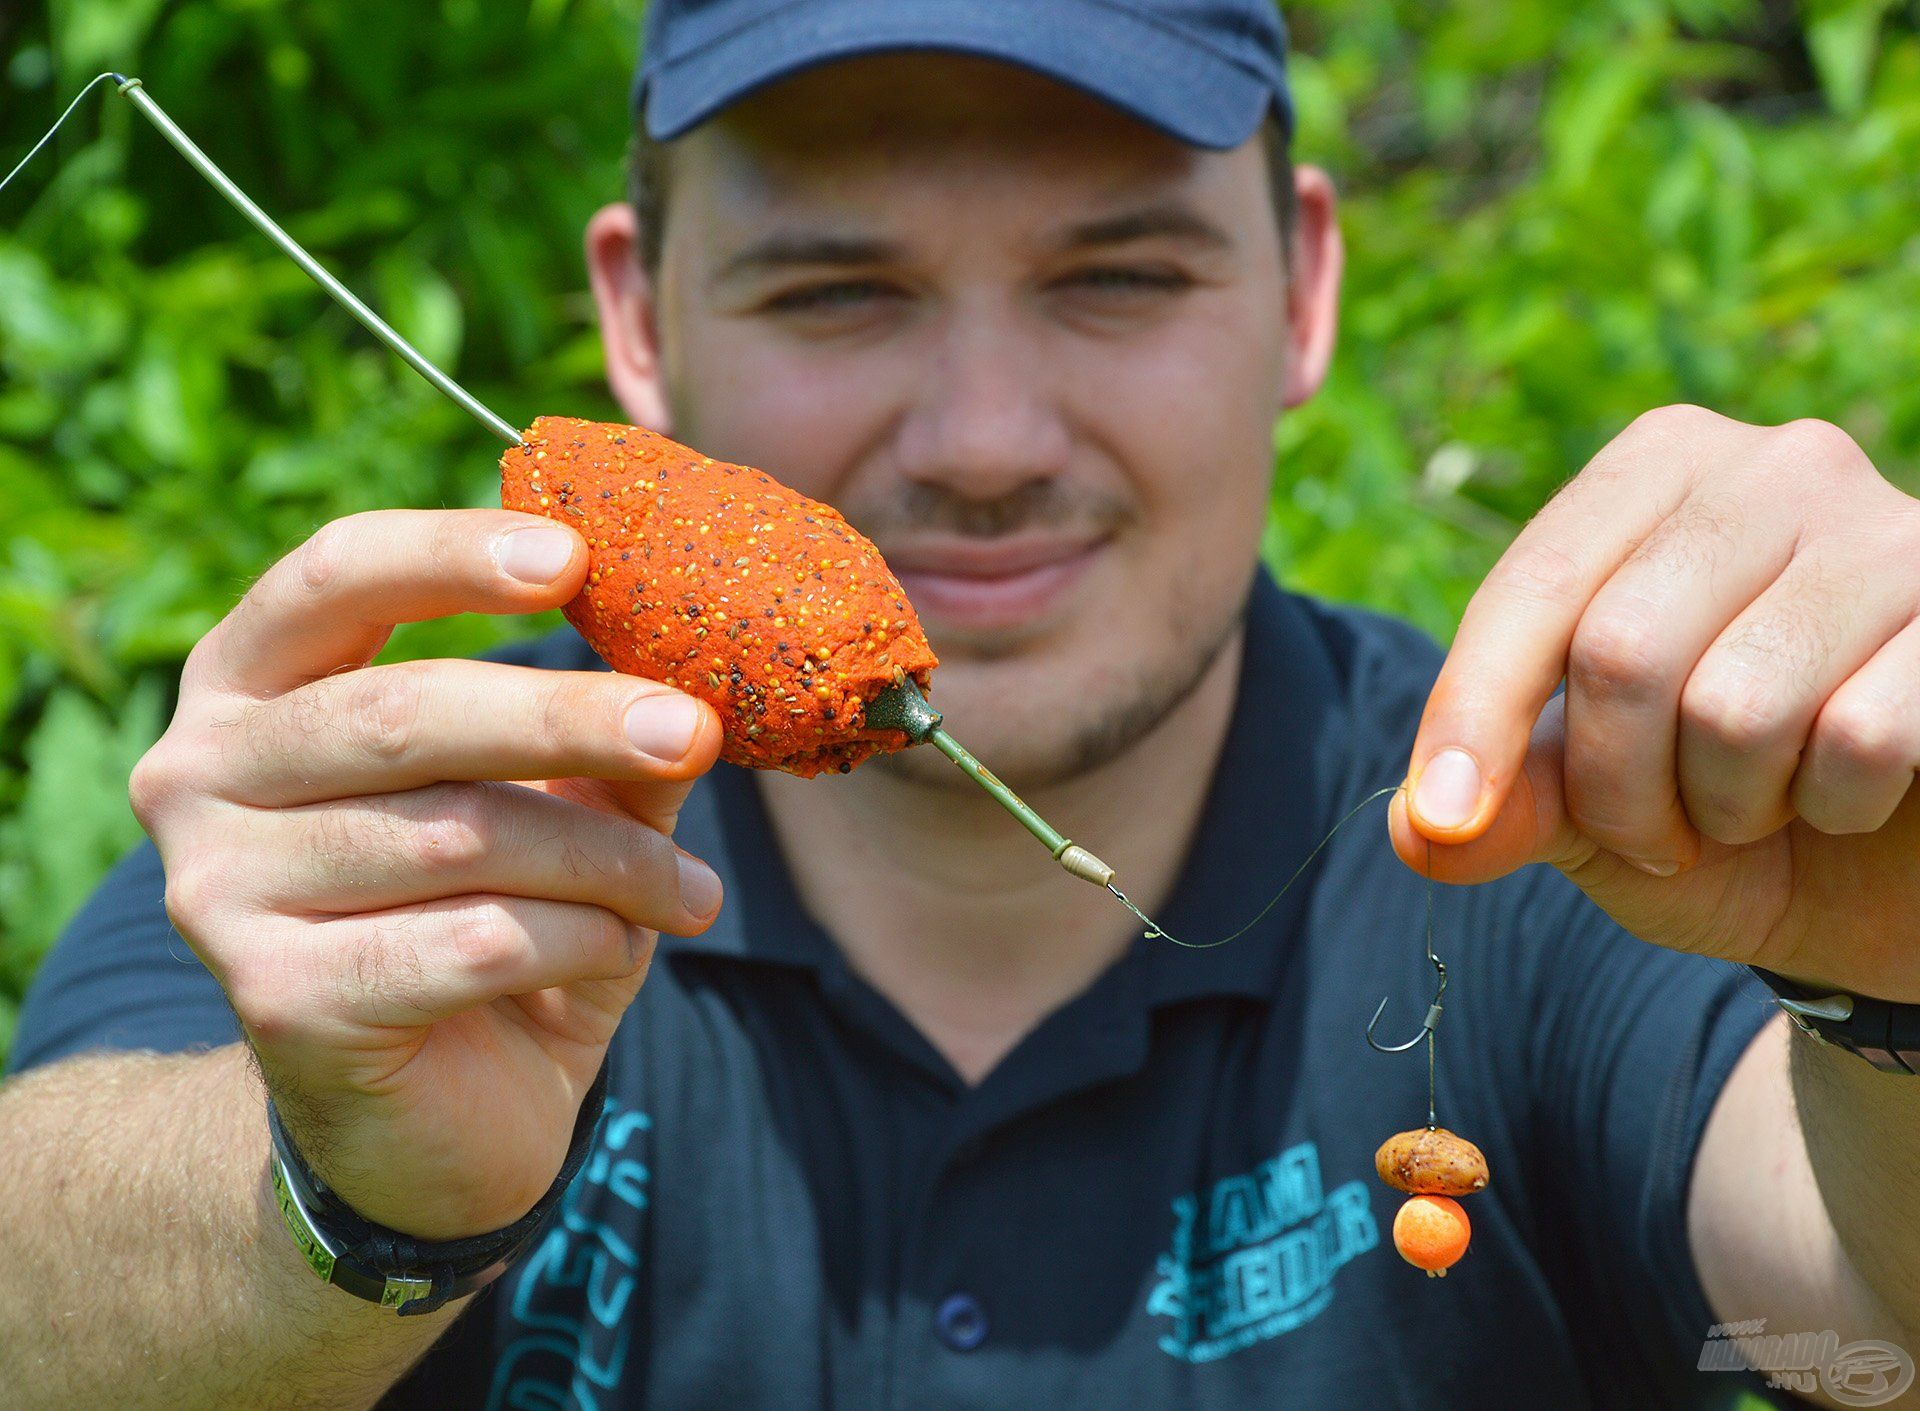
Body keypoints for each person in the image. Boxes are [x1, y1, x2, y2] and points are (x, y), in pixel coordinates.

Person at [3, 1, 1917, 1407]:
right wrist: (332, 1197)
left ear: (1307, 287)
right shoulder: (427, 842)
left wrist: (1899, 978)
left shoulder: (1526, 837)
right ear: (643, 320)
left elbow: (1870, 1315)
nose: (986, 444)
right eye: (839, 293)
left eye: (1119, 275)